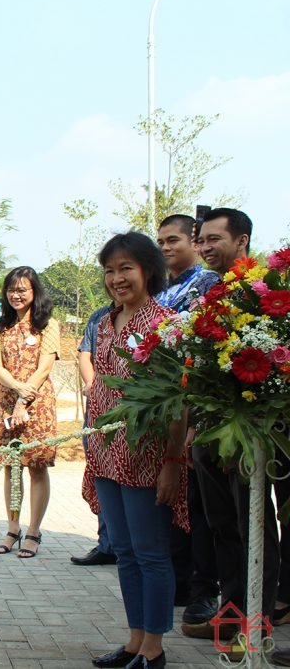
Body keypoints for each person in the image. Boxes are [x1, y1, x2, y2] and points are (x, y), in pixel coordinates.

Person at [85, 231, 188, 669]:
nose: (117, 278)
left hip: (148, 457)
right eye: (110, 270)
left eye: (126, 268)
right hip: (106, 455)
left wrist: (172, 462)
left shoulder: (166, 325)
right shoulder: (104, 323)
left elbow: (179, 404)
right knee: (124, 552)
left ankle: (154, 647)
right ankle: (134, 640)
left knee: (150, 553)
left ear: (148, 270)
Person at [184, 208, 280, 656]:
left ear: (241, 241)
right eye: (201, 239)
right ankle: (232, 613)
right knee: (221, 525)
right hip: (209, 433)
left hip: (251, 436)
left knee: (253, 525)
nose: (204, 247)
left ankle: (258, 624)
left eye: (214, 239)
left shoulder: (265, 292)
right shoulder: (209, 293)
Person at [153, 214, 221, 627]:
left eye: (173, 240)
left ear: (193, 242)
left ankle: (203, 589)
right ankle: (177, 581)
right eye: (160, 241)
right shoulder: (161, 287)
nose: (165, 247)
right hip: (162, 406)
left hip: (193, 405)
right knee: (170, 500)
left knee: (197, 506)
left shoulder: (207, 285)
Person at [0, 266, 60, 559]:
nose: (16, 295)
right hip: (7, 401)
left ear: (34, 292)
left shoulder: (48, 325)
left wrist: (25, 396)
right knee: (11, 466)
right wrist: (17, 389)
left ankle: (33, 531)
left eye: (22, 290)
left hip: (38, 403)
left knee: (37, 465)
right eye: (11, 290)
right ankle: (12, 528)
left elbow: (45, 367)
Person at [70, 302, 118, 567]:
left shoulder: (154, 314)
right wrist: (92, 384)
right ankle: (107, 544)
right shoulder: (99, 317)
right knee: (100, 473)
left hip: (133, 412)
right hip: (99, 411)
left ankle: (127, 544)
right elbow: (85, 355)